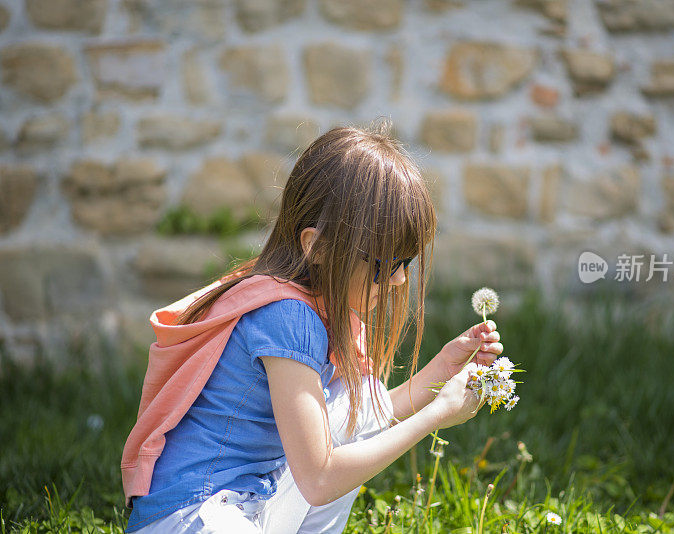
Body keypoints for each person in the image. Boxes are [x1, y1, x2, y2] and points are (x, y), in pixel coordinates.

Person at [121, 119, 504, 533]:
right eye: (383, 264)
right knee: (344, 437)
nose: (397, 281)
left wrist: (439, 373)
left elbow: (362, 425)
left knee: (360, 397)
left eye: (404, 263)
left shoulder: (308, 306)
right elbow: (319, 478)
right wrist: (438, 415)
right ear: (317, 246)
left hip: (247, 505)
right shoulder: (287, 315)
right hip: (192, 516)